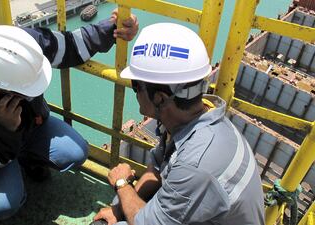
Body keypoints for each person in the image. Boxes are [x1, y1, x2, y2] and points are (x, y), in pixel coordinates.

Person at [0, 10, 138, 221]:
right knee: (2, 206)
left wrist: (113, 28)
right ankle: (16, 177)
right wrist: (7, 129)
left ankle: (28, 160)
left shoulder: (22, 47)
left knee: (76, 152)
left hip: (29, 127)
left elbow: (70, 45)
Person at [93, 23, 265, 225]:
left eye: (136, 85)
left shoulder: (196, 164)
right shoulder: (193, 120)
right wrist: (119, 207)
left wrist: (122, 184)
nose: (135, 92)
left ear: (160, 98)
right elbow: (157, 169)